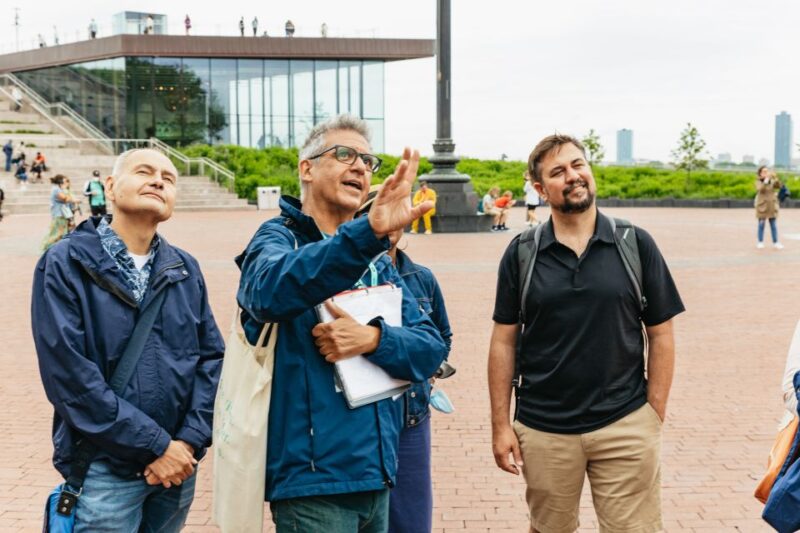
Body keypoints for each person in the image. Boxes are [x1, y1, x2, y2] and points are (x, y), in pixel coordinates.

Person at [236, 114, 447, 533]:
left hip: (377, 476)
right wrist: (364, 234)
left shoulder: (373, 259)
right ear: (307, 168)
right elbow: (268, 293)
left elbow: (431, 347)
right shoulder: (278, 239)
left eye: (369, 162)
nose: (361, 168)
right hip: (313, 484)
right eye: (345, 154)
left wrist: (373, 339)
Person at [488, 134, 685, 533]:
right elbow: (503, 341)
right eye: (558, 172)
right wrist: (500, 425)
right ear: (541, 190)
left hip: (625, 422)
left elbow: (661, 333)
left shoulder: (634, 243)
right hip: (544, 429)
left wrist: (653, 412)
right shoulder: (522, 253)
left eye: (578, 165)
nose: (573, 176)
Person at [31, 148, 224, 531]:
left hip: (177, 471)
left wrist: (188, 442)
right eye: (145, 172)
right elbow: (69, 376)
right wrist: (157, 446)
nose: (158, 181)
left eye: (168, 179)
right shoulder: (65, 262)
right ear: (111, 187)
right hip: (106, 469)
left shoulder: (185, 268)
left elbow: (211, 358)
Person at [41, 174, 72, 251]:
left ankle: (56, 249)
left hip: (61, 214)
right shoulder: (56, 189)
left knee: (60, 234)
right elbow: (66, 198)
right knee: (56, 234)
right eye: (64, 180)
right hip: (59, 215)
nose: (66, 182)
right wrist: (66, 190)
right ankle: (46, 249)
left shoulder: (57, 189)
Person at [755, 165, 783, 249]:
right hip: (762, 206)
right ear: (760, 174)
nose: (766, 173)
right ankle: (760, 242)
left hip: (772, 206)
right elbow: (761, 189)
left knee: (773, 225)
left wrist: (776, 178)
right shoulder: (758, 181)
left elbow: (778, 186)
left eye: (767, 171)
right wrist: (766, 180)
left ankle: (776, 242)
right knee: (761, 225)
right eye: (764, 171)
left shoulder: (772, 181)